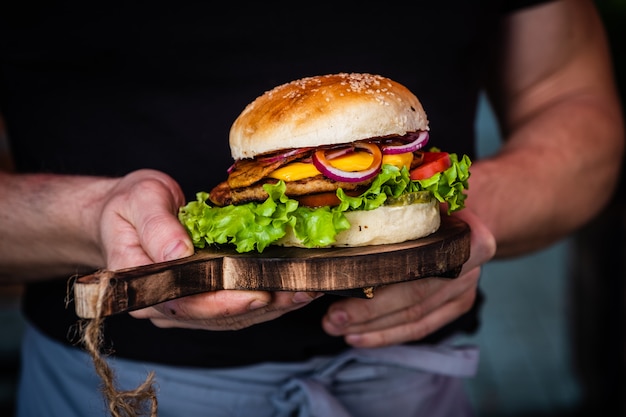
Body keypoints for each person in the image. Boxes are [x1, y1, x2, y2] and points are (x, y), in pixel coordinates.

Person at [0, 0, 623, 416]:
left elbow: (569, 95)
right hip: (116, 392)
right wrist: (89, 213)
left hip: (412, 388)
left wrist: (463, 222)